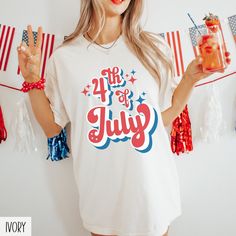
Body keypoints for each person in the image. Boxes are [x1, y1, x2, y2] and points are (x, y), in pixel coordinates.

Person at [16, 0, 225, 235]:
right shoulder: (64, 58)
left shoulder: (153, 47)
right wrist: (32, 80)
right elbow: (52, 128)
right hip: (100, 202)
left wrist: (190, 78)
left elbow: (162, 117)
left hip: (153, 196)